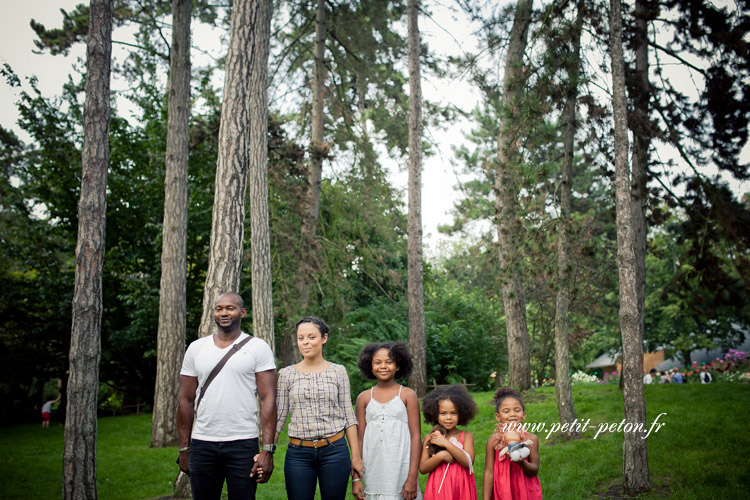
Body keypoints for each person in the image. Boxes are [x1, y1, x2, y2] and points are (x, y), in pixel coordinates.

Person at [177, 292, 277, 500]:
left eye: (230, 308)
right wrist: (185, 448)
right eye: (219, 308)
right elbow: (185, 400)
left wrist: (267, 450)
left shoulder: (258, 347)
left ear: (242, 312)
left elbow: (268, 399)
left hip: (243, 443)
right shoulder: (196, 348)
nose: (224, 313)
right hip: (202, 443)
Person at [274, 316, 363, 499]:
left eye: (311, 337)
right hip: (298, 454)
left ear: (324, 338)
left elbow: (348, 416)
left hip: (335, 451)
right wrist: (267, 451)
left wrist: (356, 457)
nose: (305, 342)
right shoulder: (286, 375)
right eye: (301, 338)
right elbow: (279, 417)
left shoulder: (338, 371)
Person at [354, 341, 422, 500]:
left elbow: (416, 437)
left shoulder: (407, 395)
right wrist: (356, 478)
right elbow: (359, 440)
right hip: (373, 470)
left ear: (398, 366)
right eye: (377, 362)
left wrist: (412, 476)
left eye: (389, 362)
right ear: (370, 366)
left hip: (401, 469)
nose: (383, 366)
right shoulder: (363, 398)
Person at [419, 385, 478, 500]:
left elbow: (468, 462)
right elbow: (423, 469)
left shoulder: (466, 436)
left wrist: (446, 444)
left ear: (461, 414)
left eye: (453, 413)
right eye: (443, 413)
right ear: (435, 414)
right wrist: (440, 456)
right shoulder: (430, 438)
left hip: (461, 486)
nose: (449, 418)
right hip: (438, 486)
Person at [483, 388, 541, 500]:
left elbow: (534, 470)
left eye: (517, 410)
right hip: (502, 491)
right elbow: (489, 473)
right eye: (506, 411)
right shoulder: (493, 442)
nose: (512, 414)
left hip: (525, 490)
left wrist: (522, 463)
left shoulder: (531, 439)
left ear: (524, 415)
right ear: (497, 416)